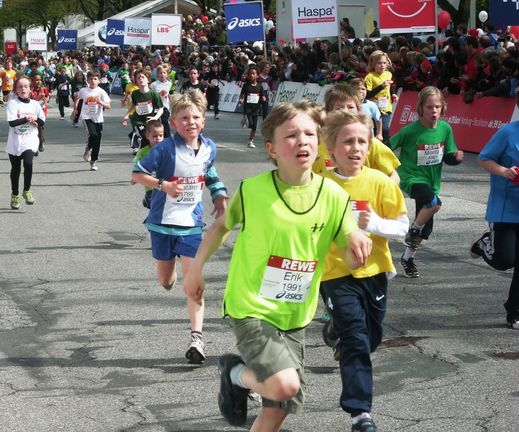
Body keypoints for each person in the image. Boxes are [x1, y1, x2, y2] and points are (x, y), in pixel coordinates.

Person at [183, 101, 372, 430]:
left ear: (320, 142)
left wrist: (356, 240)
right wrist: (196, 268)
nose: (303, 141)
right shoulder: (253, 190)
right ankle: (234, 373)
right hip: (251, 306)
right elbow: (220, 227)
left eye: (310, 133)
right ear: (271, 148)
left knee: (278, 406)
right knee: (286, 385)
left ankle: (239, 377)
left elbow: (345, 243)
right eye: (292, 135)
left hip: (294, 312)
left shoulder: (333, 196)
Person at [321, 110, 408, 432]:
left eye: (362, 141)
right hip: (335, 273)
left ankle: (338, 334)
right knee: (356, 338)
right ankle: (361, 414)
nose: (355, 148)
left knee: (370, 338)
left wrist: (374, 224)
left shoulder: (381, 183)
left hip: (375, 271)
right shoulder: (321, 185)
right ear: (331, 147)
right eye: (348, 142)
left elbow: (402, 227)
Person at [131, 90, 228, 365]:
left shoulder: (209, 147)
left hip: (191, 226)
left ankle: (196, 338)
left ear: (203, 121)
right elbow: (137, 173)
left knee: (194, 283)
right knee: (166, 281)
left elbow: (209, 172)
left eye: (195, 117)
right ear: (174, 122)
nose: (191, 122)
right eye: (184, 118)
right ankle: (168, 270)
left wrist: (219, 194)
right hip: (162, 225)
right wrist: (164, 185)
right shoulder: (163, 149)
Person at [390, 86, 464, 278]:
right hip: (411, 178)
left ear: (443, 108)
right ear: (420, 108)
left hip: (432, 181)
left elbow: (447, 155)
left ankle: (407, 258)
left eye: (437, 107)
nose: (434, 111)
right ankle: (413, 229)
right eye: (429, 107)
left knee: (425, 230)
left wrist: (456, 158)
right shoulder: (410, 131)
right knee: (434, 203)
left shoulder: (445, 128)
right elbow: (387, 147)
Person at [470, 89, 519, 330]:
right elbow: (484, 158)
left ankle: (515, 311)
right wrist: (505, 172)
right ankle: (484, 244)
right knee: (505, 260)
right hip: (506, 207)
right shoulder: (507, 133)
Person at [6, 76, 45, 209]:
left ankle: (27, 191)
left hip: (30, 140)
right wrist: (27, 119)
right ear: (16, 90)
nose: (23, 88)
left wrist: (36, 119)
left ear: (30, 89)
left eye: (26, 86)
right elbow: (12, 123)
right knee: (15, 169)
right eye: (20, 86)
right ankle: (15, 195)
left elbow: (42, 121)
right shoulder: (13, 103)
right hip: (15, 141)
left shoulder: (35, 105)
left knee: (28, 163)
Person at [74, 70, 111, 171]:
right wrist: (75, 109)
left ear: (99, 81)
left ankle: (93, 161)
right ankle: (88, 148)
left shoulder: (101, 92)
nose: (93, 81)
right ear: (88, 80)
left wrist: (101, 102)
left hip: (98, 118)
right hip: (86, 117)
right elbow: (77, 98)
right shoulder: (83, 90)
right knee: (93, 134)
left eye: (95, 79)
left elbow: (108, 106)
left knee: (97, 140)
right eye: (91, 79)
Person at [121, 70, 163, 153]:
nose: (140, 79)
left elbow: (161, 109)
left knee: (149, 140)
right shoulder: (135, 94)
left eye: (143, 77)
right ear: (136, 81)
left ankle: (145, 155)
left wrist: (155, 118)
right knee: (144, 135)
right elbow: (133, 105)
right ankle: (136, 138)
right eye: (138, 78)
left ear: (148, 80)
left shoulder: (154, 94)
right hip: (138, 120)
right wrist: (126, 115)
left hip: (150, 120)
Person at [364, 50, 398, 145]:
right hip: (373, 108)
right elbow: (368, 94)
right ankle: (375, 148)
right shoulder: (369, 77)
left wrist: (393, 94)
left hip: (386, 107)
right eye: (379, 63)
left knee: (385, 129)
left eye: (384, 63)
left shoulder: (388, 74)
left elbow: (391, 86)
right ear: (373, 64)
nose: (382, 65)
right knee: (375, 130)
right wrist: (381, 86)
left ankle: (388, 149)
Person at [132, 120, 164, 209]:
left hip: (164, 183)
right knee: (153, 206)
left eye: (161, 135)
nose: (158, 138)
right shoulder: (143, 152)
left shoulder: (166, 149)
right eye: (154, 136)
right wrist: (135, 176)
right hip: (150, 184)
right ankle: (147, 199)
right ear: (147, 136)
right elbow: (136, 162)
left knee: (163, 206)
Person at [239, 66, 266, 148]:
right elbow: (242, 95)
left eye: (253, 74)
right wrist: (241, 99)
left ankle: (250, 141)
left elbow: (262, 95)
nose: (251, 75)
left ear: (257, 76)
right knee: (251, 124)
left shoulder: (259, 86)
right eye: (250, 74)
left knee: (254, 127)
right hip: (248, 108)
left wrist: (263, 98)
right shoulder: (246, 86)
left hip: (256, 109)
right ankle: (245, 120)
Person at [150, 64, 173, 137]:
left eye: (164, 73)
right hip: (156, 106)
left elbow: (169, 94)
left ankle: (167, 138)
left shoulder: (169, 84)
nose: (162, 74)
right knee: (156, 123)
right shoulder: (154, 84)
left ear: (167, 74)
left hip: (165, 106)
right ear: (157, 74)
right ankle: (156, 136)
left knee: (165, 122)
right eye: (160, 73)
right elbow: (151, 96)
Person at [30, 74, 49, 153]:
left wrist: (46, 100)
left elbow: (47, 96)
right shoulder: (30, 91)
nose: (38, 82)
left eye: (39, 80)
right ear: (33, 81)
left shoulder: (44, 89)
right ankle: (36, 143)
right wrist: (36, 99)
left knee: (40, 126)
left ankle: (41, 143)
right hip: (33, 112)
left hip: (42, 111)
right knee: (34, 127)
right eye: (36, 80)